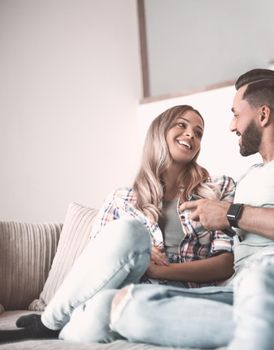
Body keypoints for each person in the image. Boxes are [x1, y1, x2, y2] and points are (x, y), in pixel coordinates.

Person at [104, 69, 274, 350]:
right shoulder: (246, 178)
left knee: (262, 279)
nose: (231, 126)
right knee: (130, 308)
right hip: (243, 283)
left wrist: (231, 213)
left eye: (236, 114)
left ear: (262, 115)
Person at [0, 105, 236, 343]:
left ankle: (47, 324)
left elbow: (225, 263)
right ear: (159, 131)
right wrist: (140, 252)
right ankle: (52, 322)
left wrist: (160, 270)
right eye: (182, 125)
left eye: (198, 133)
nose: (191, 135)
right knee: (130, 233)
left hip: (165, 301)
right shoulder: (121, 198)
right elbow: (96, 263)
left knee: (104, 305)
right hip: (119, 291)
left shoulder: (218, 189)